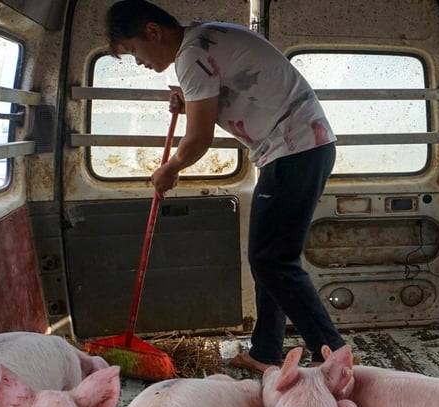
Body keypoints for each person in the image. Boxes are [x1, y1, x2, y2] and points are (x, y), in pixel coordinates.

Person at [106, 0, 347, 373]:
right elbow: (225, 95)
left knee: (271, 260)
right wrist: (190, 100)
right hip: (297, 148)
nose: (138, 62)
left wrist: (171, 168)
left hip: (294, 148)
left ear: (153, 31)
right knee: (270, 261)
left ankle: (334, 354)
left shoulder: (192, 54)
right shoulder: (203, 40)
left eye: (133, 50)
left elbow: (198, 139)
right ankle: (266, 352)